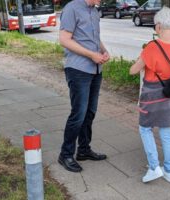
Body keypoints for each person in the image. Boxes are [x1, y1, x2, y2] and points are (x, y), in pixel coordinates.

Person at [130, 7, 170, 183]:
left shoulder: (153, 47)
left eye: (155, 25)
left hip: (153, 94)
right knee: (166, 131)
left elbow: (133, 70)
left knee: (145, 128)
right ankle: (169, 171)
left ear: (160, 26)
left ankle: (154, 167)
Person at [58, 0, 110, 173]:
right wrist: (91, 55)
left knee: (90, 112)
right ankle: (65, 154)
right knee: (78, 114)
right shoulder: (72, 8)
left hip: (95, 69)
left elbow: (93, 38)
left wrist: (103, 50)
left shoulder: (94, 11)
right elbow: (64, 39)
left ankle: (84, 150)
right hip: (78, 69)